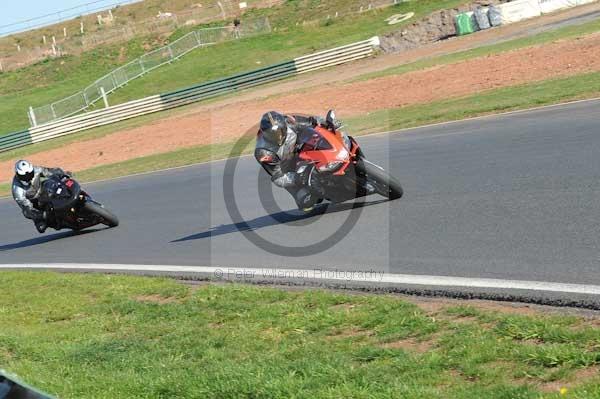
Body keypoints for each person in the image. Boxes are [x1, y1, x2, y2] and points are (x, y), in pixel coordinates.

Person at [255, 111, 328, 212]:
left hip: (302, 150)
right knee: (306, 203)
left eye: (279, 132)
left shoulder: (289, 121)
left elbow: (313, 121)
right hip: (288, 170)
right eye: (272, 135)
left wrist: (327, 123)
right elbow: (278, 178)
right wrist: (298, 177)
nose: (278, 137)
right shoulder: (264, 152)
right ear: (265, 134)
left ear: (284, 126)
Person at [12, 160, 68, 233]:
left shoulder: (36, 169)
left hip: (43, 190)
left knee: (52, 182)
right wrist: (40, 215)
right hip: (33, 203)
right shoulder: (17, 190)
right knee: (41, 227)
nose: (28, 177)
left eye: (30, 173)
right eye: (24, 176)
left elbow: (49, 171)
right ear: (18, 175)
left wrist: (62, 174)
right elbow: (27, 207)